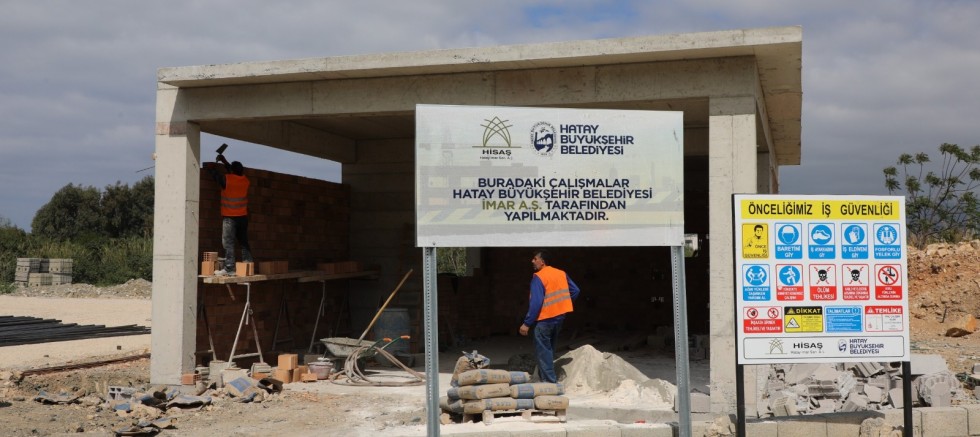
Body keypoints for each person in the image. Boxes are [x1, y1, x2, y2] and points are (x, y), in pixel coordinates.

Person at [519, 249, 580, 383]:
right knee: (549, 349)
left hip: (545, 319)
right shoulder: (561, 273)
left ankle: (549, 382)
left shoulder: (539, 277)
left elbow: (536, 303)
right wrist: (562, 306)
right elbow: (576, 291)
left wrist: (527, 323)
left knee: (543, 351)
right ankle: (545, 379)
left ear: (542, 261)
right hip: (559, 318)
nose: (532, 261)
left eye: (535, 259)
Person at [205, 151, 253, 276]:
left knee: (228, 243)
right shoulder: (245, 181)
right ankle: (248, 265)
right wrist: (225, 161)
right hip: (243, 217)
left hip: (230, 218)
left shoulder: (227, 179)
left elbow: (217, 177)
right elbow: (233, 172)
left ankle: (230, 268)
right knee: (243, 242)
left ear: (232, 171)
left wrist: (210, 169)